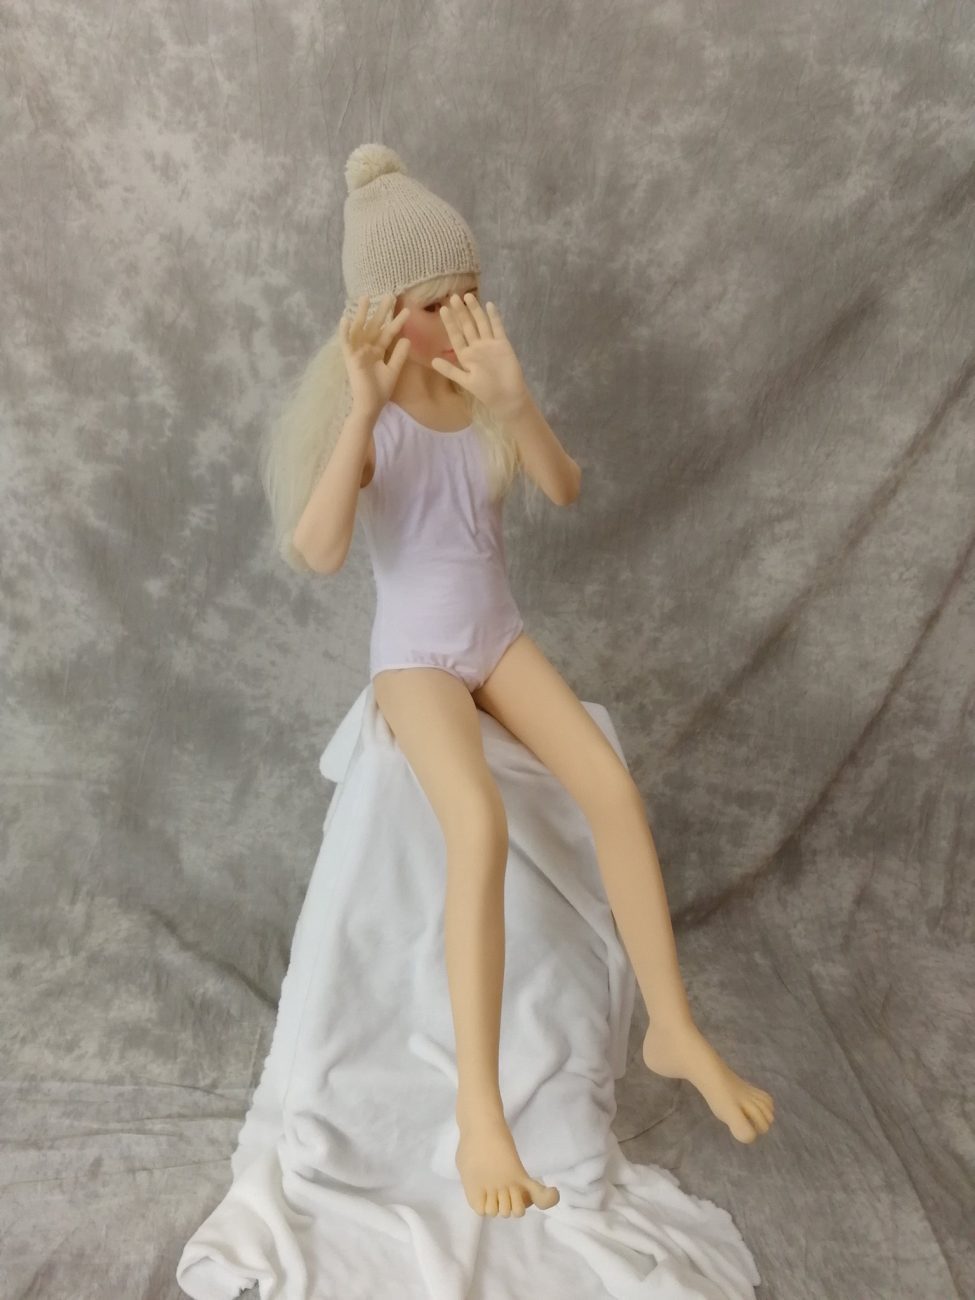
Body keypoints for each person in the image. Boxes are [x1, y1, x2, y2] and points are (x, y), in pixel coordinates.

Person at [259, 142, 775, 1220]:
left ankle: (673, 1026)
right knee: (478, 825)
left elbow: (563, 486)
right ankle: (479, 1116)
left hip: (496, 638)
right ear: (382, 312)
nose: (461, 317)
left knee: (612, 789)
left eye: (471, 293)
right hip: (415, 660)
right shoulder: (377, 418)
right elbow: (316, 549)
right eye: (436, 303)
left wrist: (518, 398)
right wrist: (360, 408)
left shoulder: (480, 389)